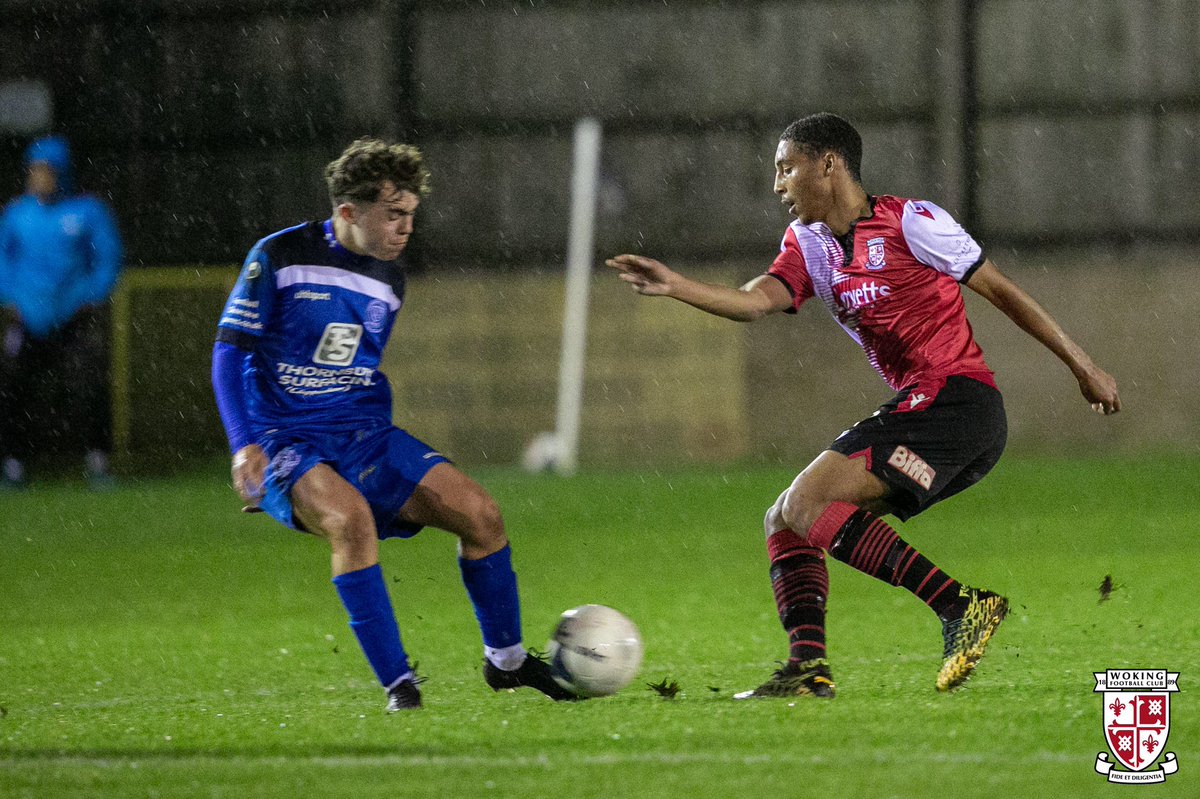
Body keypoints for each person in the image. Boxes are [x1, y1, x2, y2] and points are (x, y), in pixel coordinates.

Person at [607, 112, 1120, 698]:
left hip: (957, 404)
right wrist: (675, 285)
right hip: (924, 411)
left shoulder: (912, 222)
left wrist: (1083, 365)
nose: (778, 185)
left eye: (786, 168)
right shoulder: (808, 242)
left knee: (804, 503)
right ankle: (808, 670)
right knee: (786, 520)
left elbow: (1001, 290)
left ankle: (960, 606)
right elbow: (755, 302)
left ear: (828, 164)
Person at [211, 138, 576, 711]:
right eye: (393, 215)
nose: (406, 228)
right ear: (348, 212)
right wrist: (243, 447)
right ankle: (399, 686)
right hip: (286, 438)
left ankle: (506, 664)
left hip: (364, 435)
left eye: (411, 215)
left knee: (482, 516)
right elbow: (229, 353)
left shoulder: (389, 279)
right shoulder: (278, 257)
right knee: (351, 522)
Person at [0, 134, 123, 489]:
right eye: (35, 170)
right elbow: (4, 261)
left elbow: (107, 257)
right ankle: (13, 464)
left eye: (47, 170)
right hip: (27, 318)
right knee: (12, 386)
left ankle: (98, 461)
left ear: (62, 173)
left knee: (90, 385)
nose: (39, 177)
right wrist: (11, 297)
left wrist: (91, 295)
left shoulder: (86, 211)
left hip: (74, 317)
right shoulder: (17, 214)